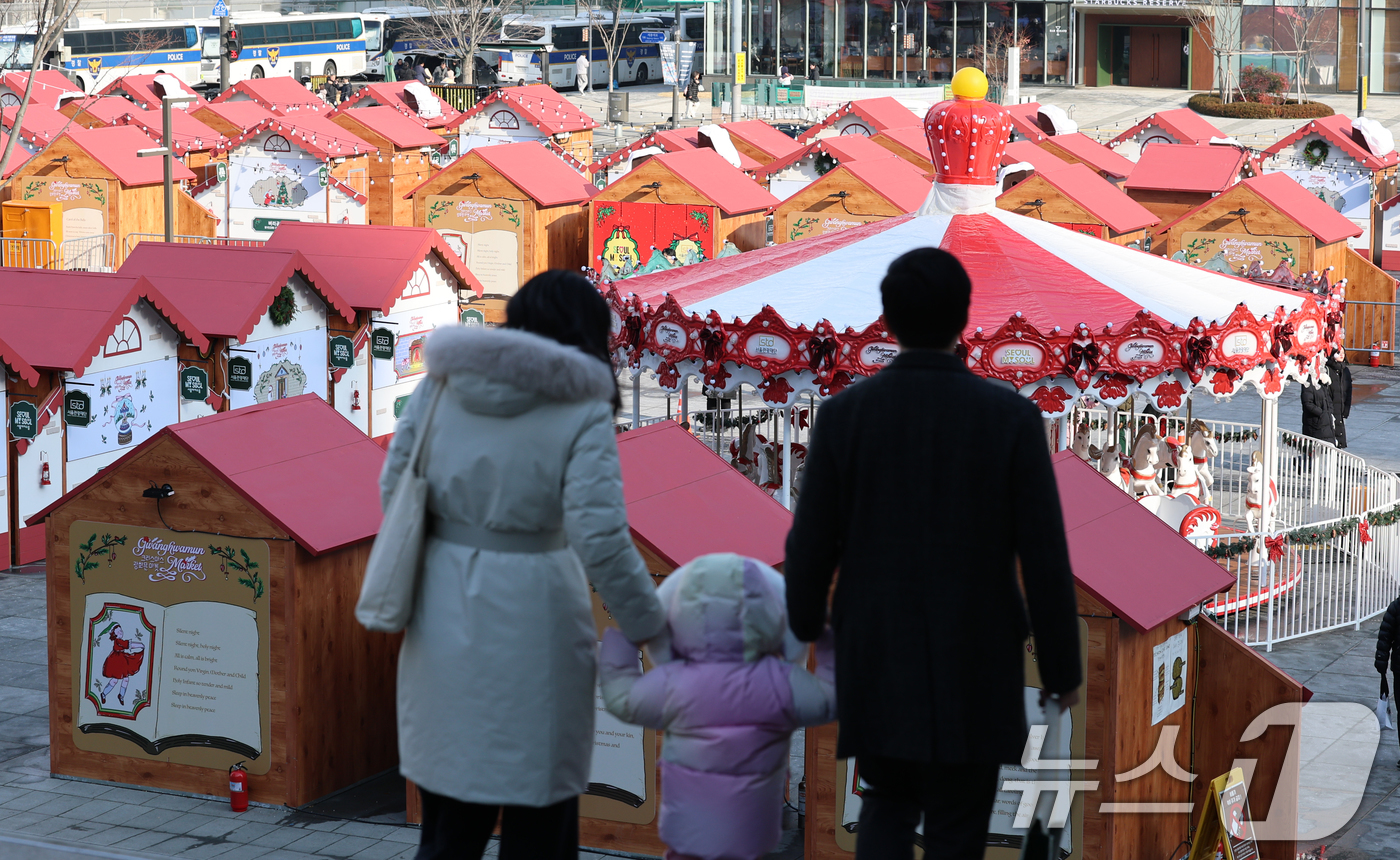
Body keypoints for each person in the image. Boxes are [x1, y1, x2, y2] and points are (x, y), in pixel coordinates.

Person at [784, 247, 1083, 860]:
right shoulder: (1012, 419)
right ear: (964, 318)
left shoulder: (845, 416)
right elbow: (1045, 555)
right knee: (959, 820)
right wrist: (1060, 671)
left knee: (887, 802)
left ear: (888, 321)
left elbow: (811, 538)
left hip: (879, 646)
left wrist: (806, 620)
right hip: (977, 653)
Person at [382, 270, 666, 860]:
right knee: (541, 814)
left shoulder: (443, 383)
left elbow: (396, 485)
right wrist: (654, 633)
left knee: (448, 819)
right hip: (536, 608)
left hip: (443, 602)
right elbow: (602, 538)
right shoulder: (580, 403)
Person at [599, 553, 836, 860]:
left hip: (688, 829)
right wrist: (828, 641)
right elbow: (829, 701)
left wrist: (625, 641)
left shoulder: (675, 681)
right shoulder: (781, 681)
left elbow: (622, 700)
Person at [1377, 595, 1400, 766]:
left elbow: (1385, 638)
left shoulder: (1396, 607)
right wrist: (1382, 665)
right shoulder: (1396, 607)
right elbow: (1385, 638)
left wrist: (1382, 664)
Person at [1301, 376, 1335, 444]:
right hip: (1315, 424)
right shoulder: (1308, 383)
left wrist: (1329, 412)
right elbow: (1307, 403)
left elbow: (1328, 399)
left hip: (1326, 420)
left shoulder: (1321, 382)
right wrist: (1321, 413)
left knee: (1327, 446)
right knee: (1315, 448)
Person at [1329, 351, 1353, 449]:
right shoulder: (1328, 370)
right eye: (1338, 353)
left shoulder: (1345, 370)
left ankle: (1339, 459)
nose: (1342, 355)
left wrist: (1346, 409)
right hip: (1332, 409)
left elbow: (1348, 392)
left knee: (1340, 434)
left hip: (1341, 409)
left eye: (1343, 353)